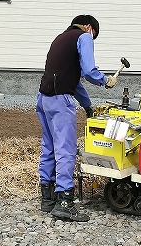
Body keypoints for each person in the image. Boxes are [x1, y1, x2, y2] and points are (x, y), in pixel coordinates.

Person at [36, 14, 117, 222]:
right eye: (94, 36)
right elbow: (89, 71)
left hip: (43, 98)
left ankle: (48, 199)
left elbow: (74, 80)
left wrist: (87, 106)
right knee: (66, 149)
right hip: (60, 100)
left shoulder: (60, 38)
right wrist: (104, 81)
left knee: (49, 146)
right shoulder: (84, 37)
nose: (92, 40)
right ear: (89, 27)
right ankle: (65, 203)